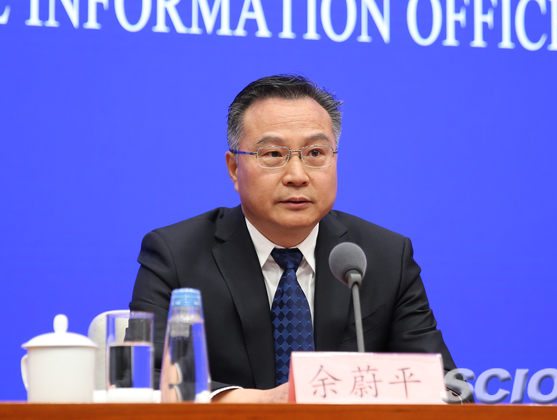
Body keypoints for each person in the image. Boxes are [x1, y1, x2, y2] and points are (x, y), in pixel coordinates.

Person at [130, 74, 462, 403]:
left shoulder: (384, 256)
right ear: (234, 169)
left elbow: (450, 390)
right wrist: (257, 402)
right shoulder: (176, 255)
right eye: (273, 154)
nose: (297, 176)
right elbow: (141, 376)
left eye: (315, 152)